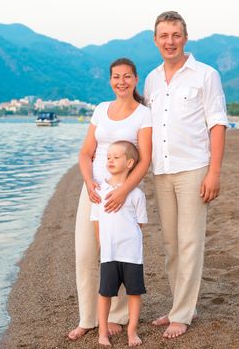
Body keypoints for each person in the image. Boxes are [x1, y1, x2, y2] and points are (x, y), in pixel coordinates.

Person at [143, 11, 228, 339]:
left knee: (190, 241)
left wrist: (214, 172)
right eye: (164, 36)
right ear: (155, 40)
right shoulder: (151, 80)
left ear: (185, 38)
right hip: (162, 170)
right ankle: (180, 304)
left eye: (176, 35)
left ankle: (182, 314)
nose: (170, 41)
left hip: (194, 169)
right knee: (171, 244)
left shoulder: (206, 75)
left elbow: (217, 123)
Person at [68, 58, 152, 340]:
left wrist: (125, 190)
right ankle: (88, 318)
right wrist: (89, 181)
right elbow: (85, 153)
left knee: (119, 251)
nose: (121, 82)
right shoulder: (101, 110)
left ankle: (117, 316)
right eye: (116, 77)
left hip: (123, 193)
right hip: (94, 192)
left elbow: (145, 159)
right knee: (86, 252)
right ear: (110, 80)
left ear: (136, 79)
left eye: (127, 76)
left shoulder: (143, 114)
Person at [91, 141, 147, 347]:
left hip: (131, 253)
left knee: (134, 292)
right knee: (105, 293)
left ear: (130, 162)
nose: (110, 160)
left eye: (116, 157)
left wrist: (129, 241)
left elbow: (139, 224)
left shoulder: (136, 194)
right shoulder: (99, 191)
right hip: (109, 254)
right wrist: (102, 245)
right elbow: (96, 222)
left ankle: (132, 330)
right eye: (108, 157)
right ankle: (103, 332)